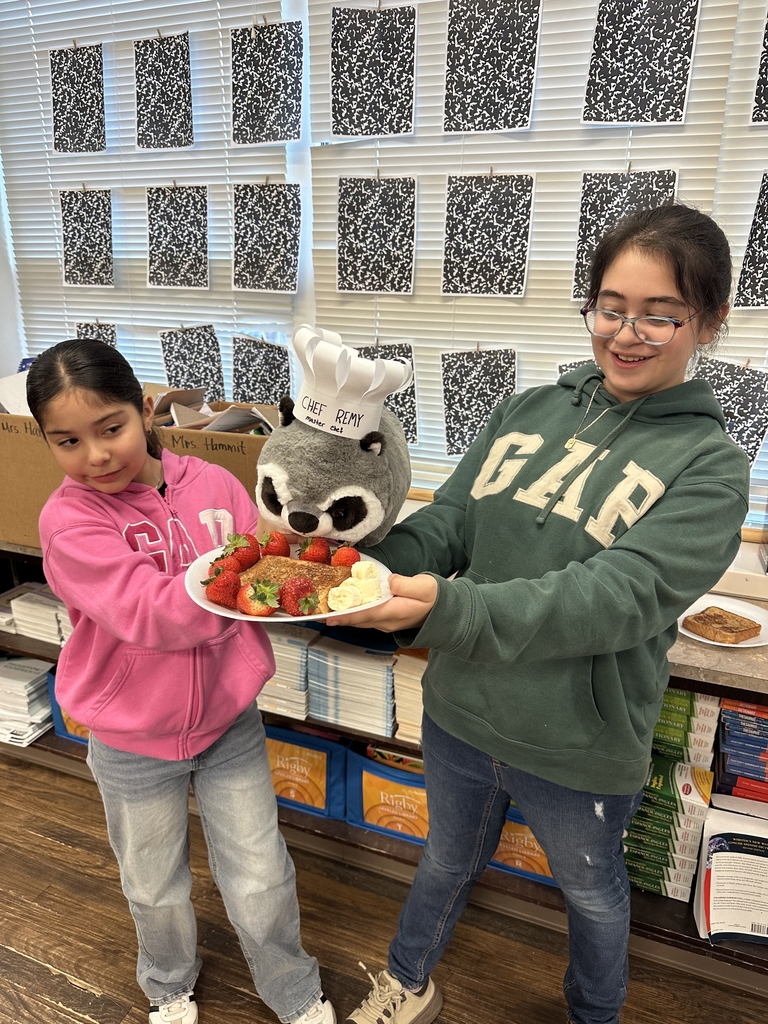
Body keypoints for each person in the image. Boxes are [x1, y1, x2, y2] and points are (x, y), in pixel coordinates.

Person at [329, 203, 750, 1024]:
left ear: (709, 322)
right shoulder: (526, 410)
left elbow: (616, 597)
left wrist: (448, 609)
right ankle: (407, 983)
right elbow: (454, 521)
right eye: (609, 307)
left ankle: (595, 1015)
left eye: (659, 316)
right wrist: (364, 569)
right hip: (460, 712)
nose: (625, 335)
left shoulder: (711, 466)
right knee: (445, 859)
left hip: (578, 745)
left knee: (592, 897)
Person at [26, 339, 336, 1024]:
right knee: (153, 883)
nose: (97, 455)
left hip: (229, 722)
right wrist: (248, 593)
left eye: (111, 428)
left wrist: (306, 577)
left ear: (145, 410)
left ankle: (290, 986)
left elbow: (261, 561)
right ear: (48, 443)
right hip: (130, 737)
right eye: (68, 441)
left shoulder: (218, 486)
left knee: (260, 874)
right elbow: (147, 613)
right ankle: (168, 984)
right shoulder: (70, 521)